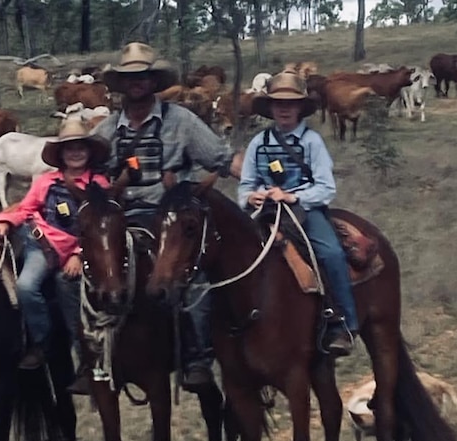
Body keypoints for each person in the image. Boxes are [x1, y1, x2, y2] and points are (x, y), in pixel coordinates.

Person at [82, 42, 243, 393]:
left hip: (171, 215)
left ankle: (198, 357)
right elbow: (86, 174)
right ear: (121, 85)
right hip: (125, 217)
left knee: (196, 277)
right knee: (82, 273)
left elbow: (220, 158)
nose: (137, 82)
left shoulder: (181, 120)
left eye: (143, 76)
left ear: (154, 81)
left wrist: (257, 180)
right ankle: (90, 356)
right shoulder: (107, 130)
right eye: (130, 77)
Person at [237, 71, 358, 356]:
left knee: (330, 253)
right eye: (278, 104)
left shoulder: (312, 141)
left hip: (304, 210)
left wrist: (293, 196)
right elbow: (245, 185)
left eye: (290, 104)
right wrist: (250, 197)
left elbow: (326, 188)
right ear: (270, 109)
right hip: (266, 210)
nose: (284, 109)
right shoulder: (258, 142)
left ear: (300, 108)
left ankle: (343, 322)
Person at [0, 119, 110, 374]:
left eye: (80, 147)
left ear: (89, 152)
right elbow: (26, 208)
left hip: (82, 249)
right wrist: (4, 221)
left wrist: (79, 254)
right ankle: (42, 342)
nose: (75, 153)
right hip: (42, 246)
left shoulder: (99, 184)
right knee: (23, 286)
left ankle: (85, 360)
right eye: (69, 148)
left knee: (73, 299)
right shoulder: (46, 181)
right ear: (61, 155)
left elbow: (102, 226)